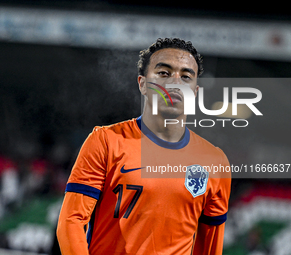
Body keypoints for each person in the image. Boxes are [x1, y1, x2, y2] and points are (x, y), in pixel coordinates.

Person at [57, 38, 231, 255]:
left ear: (194, 92)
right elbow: (71, 221)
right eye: (164, 73)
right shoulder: (105, 141)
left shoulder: (215, 162)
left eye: (186, 76)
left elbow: (210, 247)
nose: (175, 82)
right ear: (143, 84)